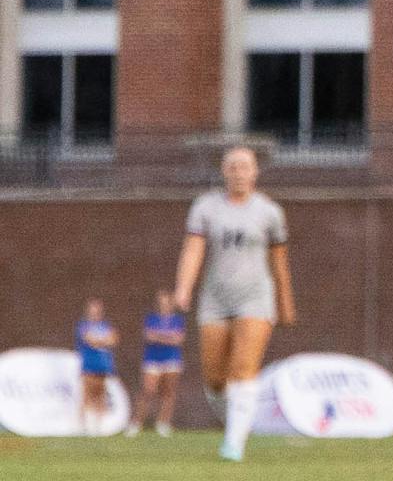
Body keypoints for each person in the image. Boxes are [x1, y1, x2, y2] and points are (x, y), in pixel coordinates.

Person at [173, 146, 294, 462]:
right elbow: (193, 250)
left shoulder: (269, 212)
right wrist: (183, 289)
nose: (239, 173)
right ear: (224, 171)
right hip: (215, 298)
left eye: (245, 167)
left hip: (255, 297)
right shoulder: (206, 208)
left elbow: (279, 261)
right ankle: (236, 422)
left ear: (256, 172)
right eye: (233, 167)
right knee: (215, 377)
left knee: (243, 368)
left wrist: (285, 302)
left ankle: (234, 444)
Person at [126, 290, 186, 437]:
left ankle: (163, 423)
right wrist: (167, 337)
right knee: (148, 390)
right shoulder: (151, 319)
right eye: (161, 303)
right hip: (152, 359)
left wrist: (160, 337)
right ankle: (136, 422)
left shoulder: (178, 320)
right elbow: (149, 336)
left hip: (172, 359)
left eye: (166, 302)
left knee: (168, 392)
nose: (164, 305)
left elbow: (179, 339)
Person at [74, 299, 118, 436]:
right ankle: (83, 426)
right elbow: (89, 340)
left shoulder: (106, 325)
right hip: (89, 363)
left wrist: (99, 341)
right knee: (87, 394)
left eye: (97, 309)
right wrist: (102, 341)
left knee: (100, 394)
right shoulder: (83, 325)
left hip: (103, 364)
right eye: (92, 309)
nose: (95, 312)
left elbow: (113, 339)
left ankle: (98, 426)